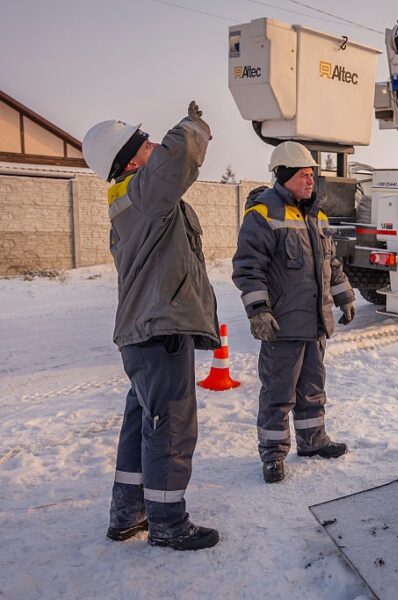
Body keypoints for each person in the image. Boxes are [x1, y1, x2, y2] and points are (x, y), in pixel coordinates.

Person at [82, 102, 221, 549]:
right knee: (172, 425)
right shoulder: (143, 193)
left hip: (144, 332)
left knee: (145, 421)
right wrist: (193, 125)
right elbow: (178, 156)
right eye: (144, 143)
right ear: (130, 160)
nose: (153, 145)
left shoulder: (131, 200)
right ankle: (167, 522)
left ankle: (128, 513)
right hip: (159, 331)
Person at [232, 141, 356, 484]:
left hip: (315, 323)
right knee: (278, 393)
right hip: (283, 326)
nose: (310, 181)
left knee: (312, 388)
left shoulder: (317, 214)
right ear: (285, 176)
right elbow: (247, 267)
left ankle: (313, 441)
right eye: (303, 175)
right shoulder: (263, 214)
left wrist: (343, 296)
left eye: (312, 174)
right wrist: (258, 310)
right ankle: (273, 455)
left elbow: (331, 261)